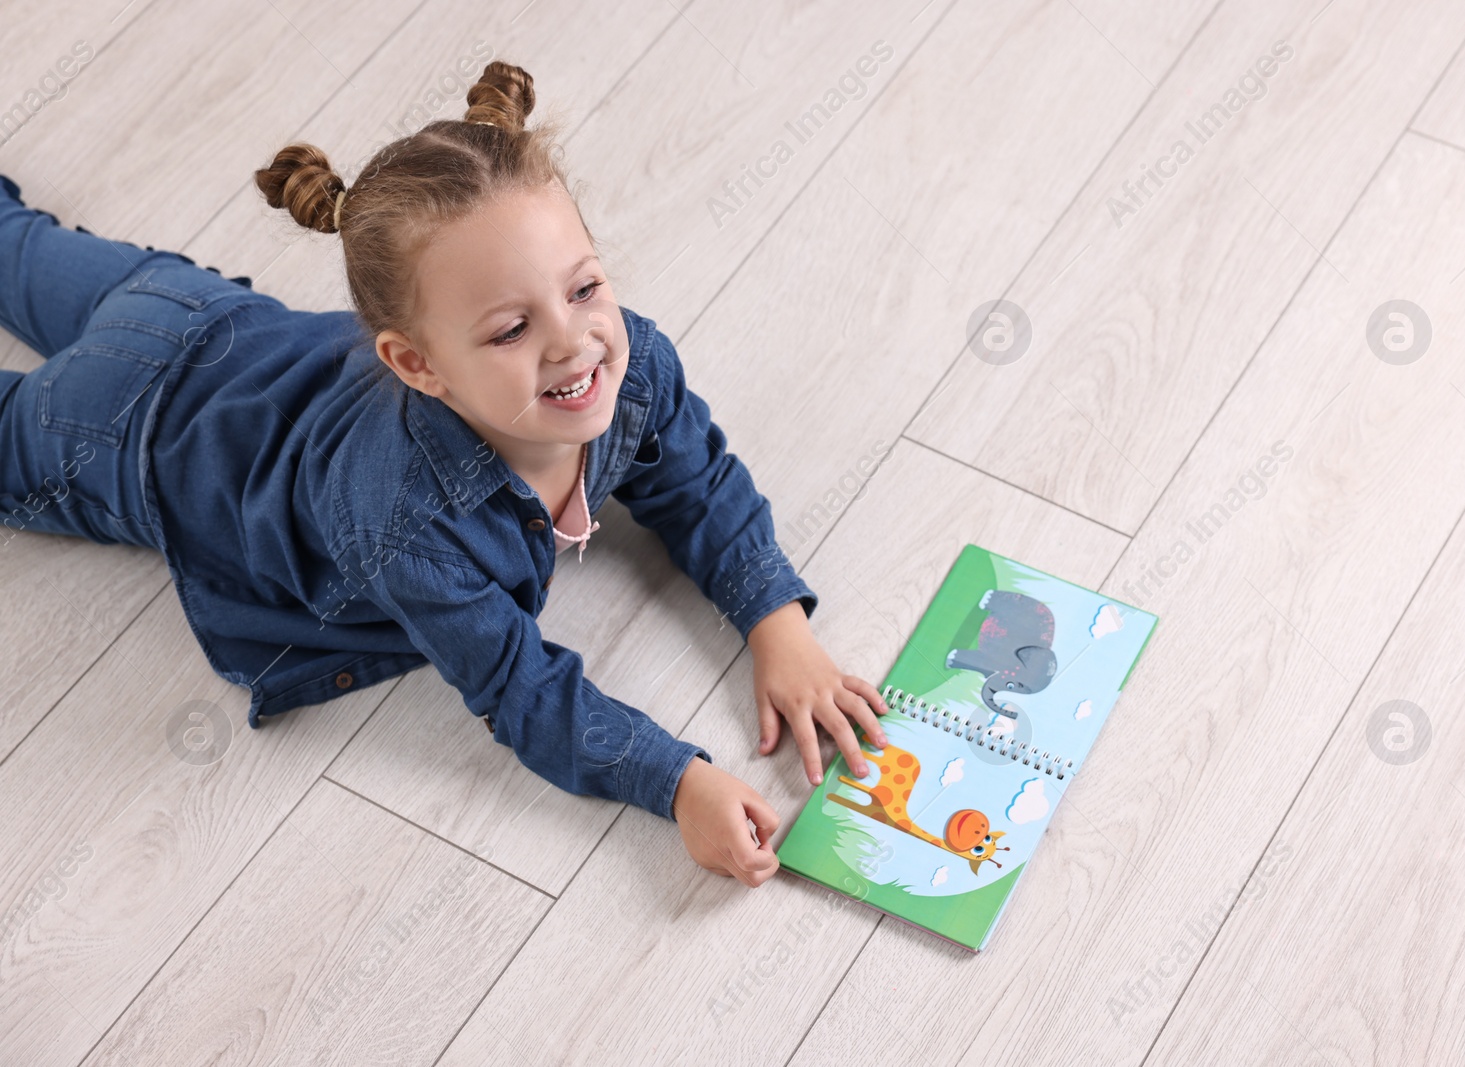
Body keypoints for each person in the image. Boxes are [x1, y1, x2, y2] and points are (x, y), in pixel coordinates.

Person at [0, 60, 891, 888]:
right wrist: (677, 781)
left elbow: (697, 481)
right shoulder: (408, 517)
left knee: (14, 240)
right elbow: (518, 686)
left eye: (584, 288)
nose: (575, 340)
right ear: (417, 365)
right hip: (114, 431)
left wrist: (778, 626)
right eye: (512, 330)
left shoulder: (636, 362)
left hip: (197, 313)